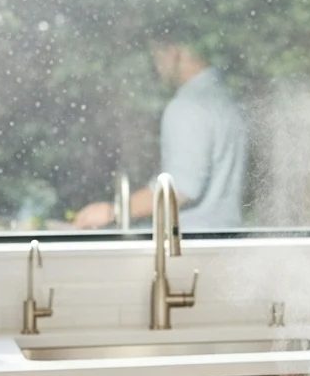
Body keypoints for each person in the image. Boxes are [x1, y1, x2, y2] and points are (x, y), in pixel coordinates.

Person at [74, 31, 247, 231]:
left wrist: (114, 211)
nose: (157, 69)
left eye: (156, 57)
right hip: (225, 243)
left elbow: (180, 188)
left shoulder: (187, 107)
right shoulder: (227, 100)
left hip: (188, 247)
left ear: (173, 53)